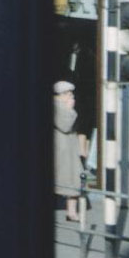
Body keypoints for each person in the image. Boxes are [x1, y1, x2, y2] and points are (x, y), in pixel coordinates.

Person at [53, 81, 84, 222]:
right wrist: (70, 110)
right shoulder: (56, 107)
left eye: (71, 93)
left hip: (68, 149)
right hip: (61, 150)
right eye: (67, 93)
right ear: (59, 95)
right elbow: (64, 125)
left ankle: (71, 212)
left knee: (74, 179)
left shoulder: (62, 105)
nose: (71, 96)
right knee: (65, 179)